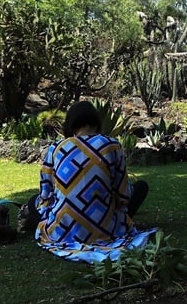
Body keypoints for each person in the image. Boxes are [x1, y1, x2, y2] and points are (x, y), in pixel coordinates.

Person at [32, 100, 156, 263]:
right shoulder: (112, 146)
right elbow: (123, 195)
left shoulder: (57, 148)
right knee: (140, 187)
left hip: (62, 231)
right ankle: (97, 221)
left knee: (32, 202)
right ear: (97, 122)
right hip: (107, 229)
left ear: (70, 124)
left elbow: (45, 195)